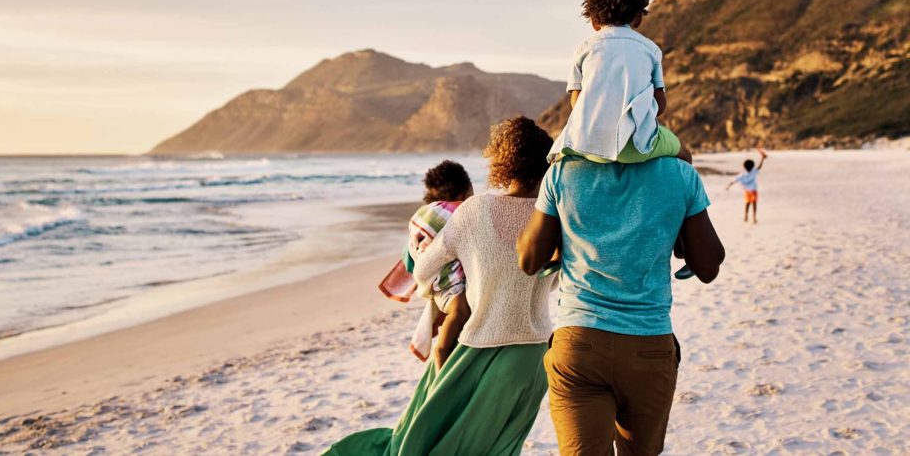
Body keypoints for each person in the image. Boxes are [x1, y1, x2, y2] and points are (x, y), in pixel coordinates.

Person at [325, 117, 557, 456]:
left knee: (431, 442)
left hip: (479, 351)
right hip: (533, 359)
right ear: (546, 164)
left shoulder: (474, 210)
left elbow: (422, 270)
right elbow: (549, 279)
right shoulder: (554, 217)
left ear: (503, 163)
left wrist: (447, 297)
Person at [518, 156, 725, 455]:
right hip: (649, 346)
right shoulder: (680, 173)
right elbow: (708, 267)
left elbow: (528, 261)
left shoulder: (562, 173)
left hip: (580, 345)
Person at [548, 0, 692, 165]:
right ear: (638, 17)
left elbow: (576, 103)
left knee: (556, 163)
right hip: (637, 147)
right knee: (684, 155)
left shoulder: (584, 49)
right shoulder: (650, 50)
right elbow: (660, 106)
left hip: (589, 146)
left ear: (593, 20)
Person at [377, 160, 474, 364]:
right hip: (451, 284)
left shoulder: (424, 219)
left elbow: (409, 258)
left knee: (455, 318)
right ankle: (442, 350)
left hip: (433, 286)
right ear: (466, 191)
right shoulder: (462, 213)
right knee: (461, 310)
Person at [726, 149, 768, 223]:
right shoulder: (753, 172)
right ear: (752, 167)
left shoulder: (742, 175)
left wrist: (728, 186)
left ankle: (746, 216)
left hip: (747, 192)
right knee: (754, 204)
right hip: (754, 191)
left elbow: (734, 181)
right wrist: (762, 159)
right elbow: (759, 167)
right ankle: (754, 218)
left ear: (744, 167)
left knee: (747, 204)